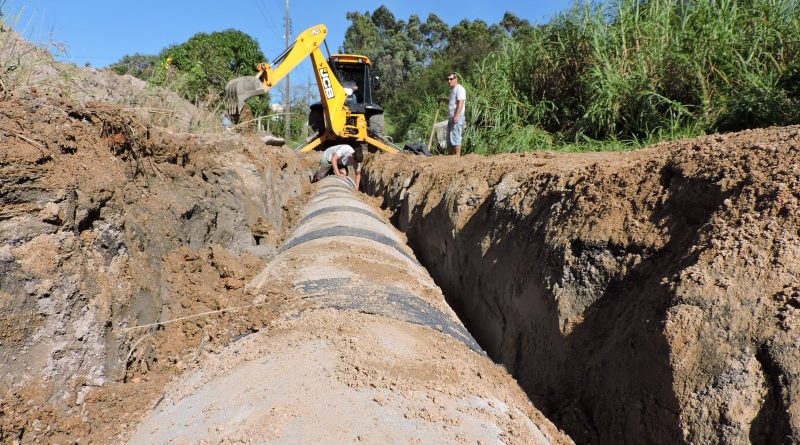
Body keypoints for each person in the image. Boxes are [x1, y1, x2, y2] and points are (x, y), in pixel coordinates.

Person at [446, 73, 466, 156]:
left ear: (456, 79)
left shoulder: (459, 89)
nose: (449, 81)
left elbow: (461, 102)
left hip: (457, 116)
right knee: (449, 138)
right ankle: (450, 157)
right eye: (448, 79)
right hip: (451, 117)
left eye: (451, 79)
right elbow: (452, 103)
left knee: (456, 136)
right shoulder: (453, 90)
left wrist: (457, 115)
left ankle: (457, 156)